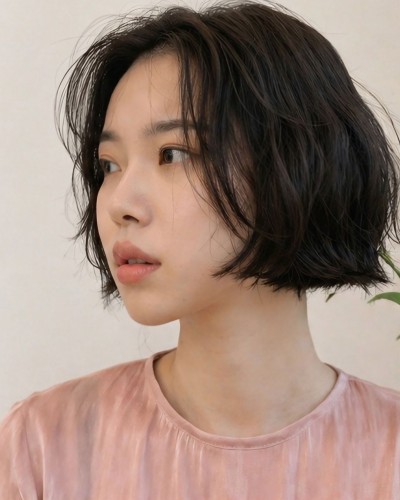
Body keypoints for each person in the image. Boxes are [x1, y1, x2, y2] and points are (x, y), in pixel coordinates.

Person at [1, 1, 399, 498]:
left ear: (296, 167)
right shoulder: (42, 447)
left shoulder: (389, 456)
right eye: (109, 165)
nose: (119, 203)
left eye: (172, 154)